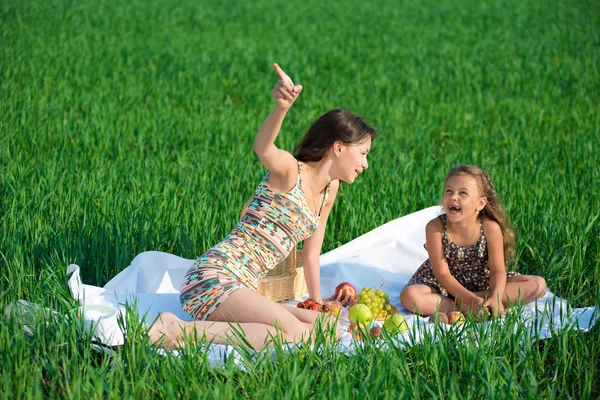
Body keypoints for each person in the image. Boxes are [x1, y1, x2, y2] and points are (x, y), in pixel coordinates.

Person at [148, 64, 376, 349]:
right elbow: (263, 148)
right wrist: (281, 108)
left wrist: (317, 304)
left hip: (243, 288)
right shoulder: (291, 172)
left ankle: (194, 329)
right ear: (339, 148)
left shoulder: (331, 189)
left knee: (328, 328)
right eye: (363, 153)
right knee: (295, 335)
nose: (366, 164)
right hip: (214, 278)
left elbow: (311, 253)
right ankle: (176, 329)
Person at [400, 164, 546, 319]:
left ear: (481, 204)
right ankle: (470, 306)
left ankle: (483, 303)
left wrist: (496, 297)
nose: (453, 197)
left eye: (463, 193)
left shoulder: (490, 228)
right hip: (443, 286)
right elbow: (442, 274)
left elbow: (498, 271)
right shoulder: (435, 227)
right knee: (410, 296)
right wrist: (469, 300)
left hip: (481, 283)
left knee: (538, 284)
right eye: (449, 191)